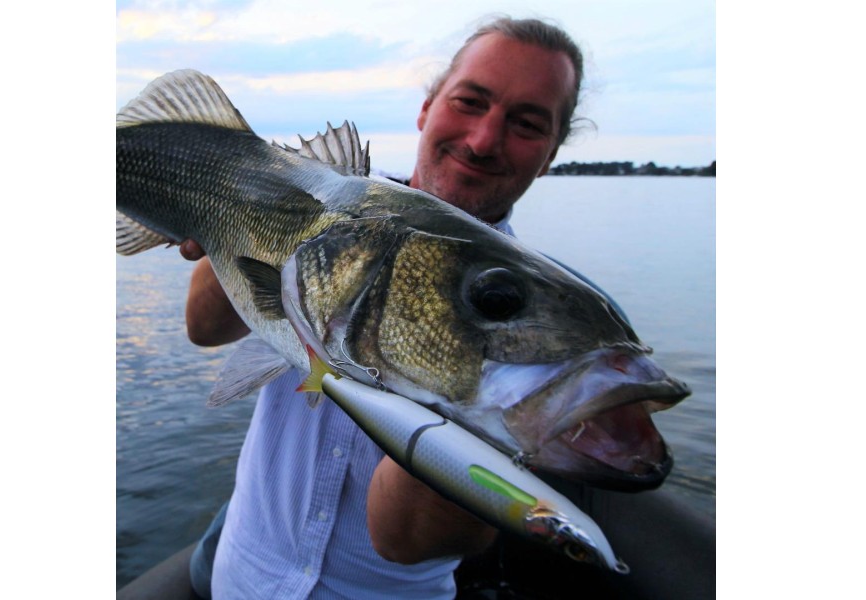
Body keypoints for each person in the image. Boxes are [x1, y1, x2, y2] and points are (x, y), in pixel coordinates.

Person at [179, 16, 714, 600]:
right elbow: (204, 329)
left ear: (553, 152)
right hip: (241, 571)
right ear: (427, 106)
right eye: (470, 101)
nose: (484, 140)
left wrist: (479, 423)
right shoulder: (312, 200)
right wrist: (220, 218)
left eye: (527, 123)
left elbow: (404, 539)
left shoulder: (560, 319)